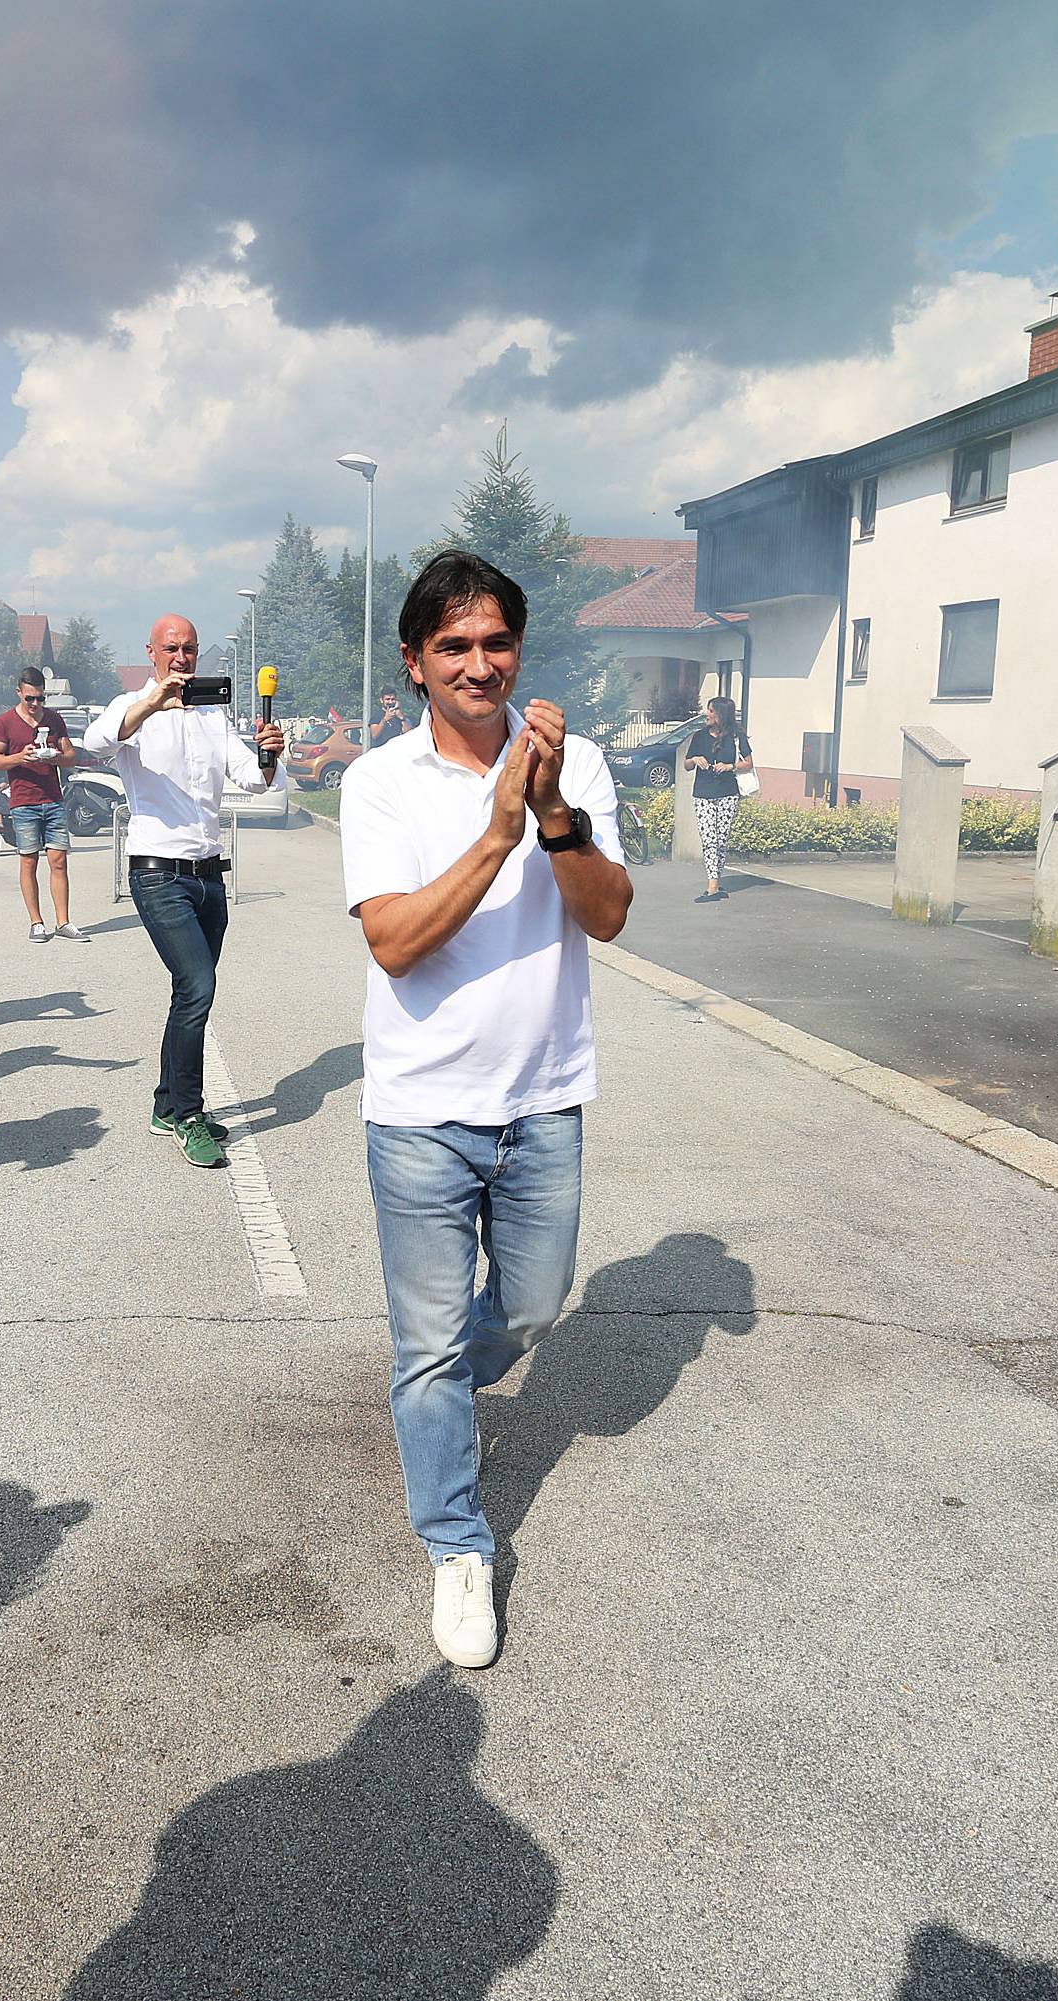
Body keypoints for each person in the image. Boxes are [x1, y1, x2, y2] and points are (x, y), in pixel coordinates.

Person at [340, 550, 631, 1670]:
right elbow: (397, 944)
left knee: (536, 1306)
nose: (479, 663)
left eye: (496, 641)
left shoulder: (578, 765)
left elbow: (606, 919)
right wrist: (497, 827)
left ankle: (434, 1397)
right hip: (419, 1111)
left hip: (544, 1097)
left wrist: (552, 811)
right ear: (415, 663)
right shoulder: (380, 784)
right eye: (453, 645)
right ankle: (457, 1545)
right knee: (426, 1350)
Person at [84, 616, 286, 1168]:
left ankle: (166, 1104)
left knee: (190, 992)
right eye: (171, 648)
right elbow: (95, 742)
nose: (182, 657)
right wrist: (152, 704)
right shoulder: (130, 708)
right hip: (157, 874)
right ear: (151, 652)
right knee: (198, 985)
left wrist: (271, 752)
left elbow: (255, 778)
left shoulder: (211, 716)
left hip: (207, 876)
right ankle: (191, 1114)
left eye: (190, 649)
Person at [0, 666, 85, 943]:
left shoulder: (54, 720)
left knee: (58, 861)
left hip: (53, 799)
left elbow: (71, 756)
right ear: (19, 693)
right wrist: (20, 757)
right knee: (29, 860)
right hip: (23, 801)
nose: (34, 704)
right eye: (29, 698)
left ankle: (63, 921)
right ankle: (36, 922)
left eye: (40, 698)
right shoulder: (4, 722)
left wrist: (54, 757)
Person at [682, 694, 753, 904]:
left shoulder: (736, 736)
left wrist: (730, 766)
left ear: (721, 714)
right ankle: (712, 887)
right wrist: (694, 759)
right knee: (709, 839)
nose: (707, 714)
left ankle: (717, 880)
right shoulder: (699, 736)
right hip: (703, 793)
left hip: (728, 793)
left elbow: (748, 763)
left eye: (711, 711)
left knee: (721, 840)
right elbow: (686, 765)